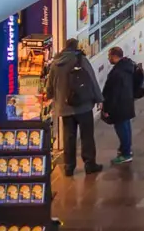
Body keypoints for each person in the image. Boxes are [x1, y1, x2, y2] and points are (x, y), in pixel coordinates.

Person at [44, 38, 103, 176]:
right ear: (76, 47)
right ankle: (89, 164)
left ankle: (69, 167)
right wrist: (99, 99)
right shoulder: (81, 60)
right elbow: (92, 80)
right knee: (87, 135)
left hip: (64, 108)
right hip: (83, 106)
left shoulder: (55, 63)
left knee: (68, 137)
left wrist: (49, 96)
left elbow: (50, 87)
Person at [100, 46, 142, 165]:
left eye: (109, 56)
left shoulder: (117, 73)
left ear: (114, 56)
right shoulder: (128, 66)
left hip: (119, 105)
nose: (108, 59)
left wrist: (107, 108)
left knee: (121, 128)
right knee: (126, 126)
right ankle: (126, 148)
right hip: (127, 101)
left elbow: (113, 93)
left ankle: (126, 154)